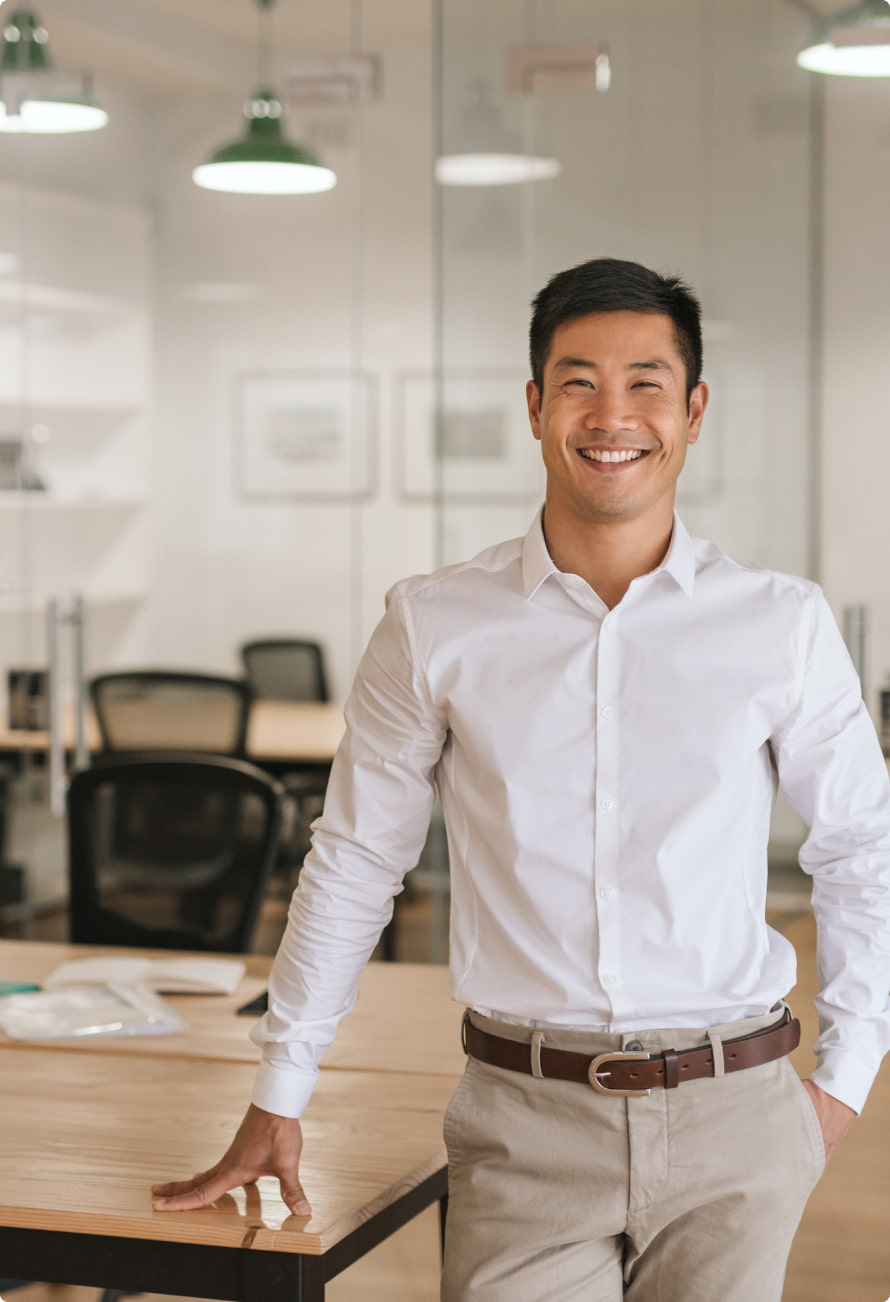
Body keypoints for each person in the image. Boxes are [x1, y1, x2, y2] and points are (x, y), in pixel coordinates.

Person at [152, 258, 890, 1301]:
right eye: (577, 380)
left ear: (693, 410)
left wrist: (844, 1082)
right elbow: (358, 857)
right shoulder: (433, 621)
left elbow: (859, 848)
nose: (611, 413)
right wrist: (281, 1087)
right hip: (522, 1115)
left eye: (645, 381)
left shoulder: (779, 621)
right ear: (536, 407)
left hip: (734, 1109)